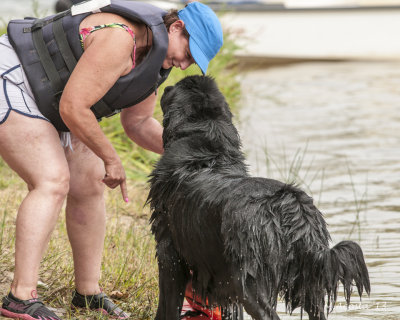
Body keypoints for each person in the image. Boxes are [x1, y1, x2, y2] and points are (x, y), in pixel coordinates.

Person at [0, 0, 223, 319]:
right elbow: (73, 108)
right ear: (176, 28)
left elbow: (139, 124)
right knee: (52, 180)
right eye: (189, 52)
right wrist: (111, 158)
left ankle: (87, 293)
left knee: (89, 184)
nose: (185, 64)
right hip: (11, 77)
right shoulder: (120, 39)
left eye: (193, 61)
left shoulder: (156, 56)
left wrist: (195, 151)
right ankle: (20, 297)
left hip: (51, 97)